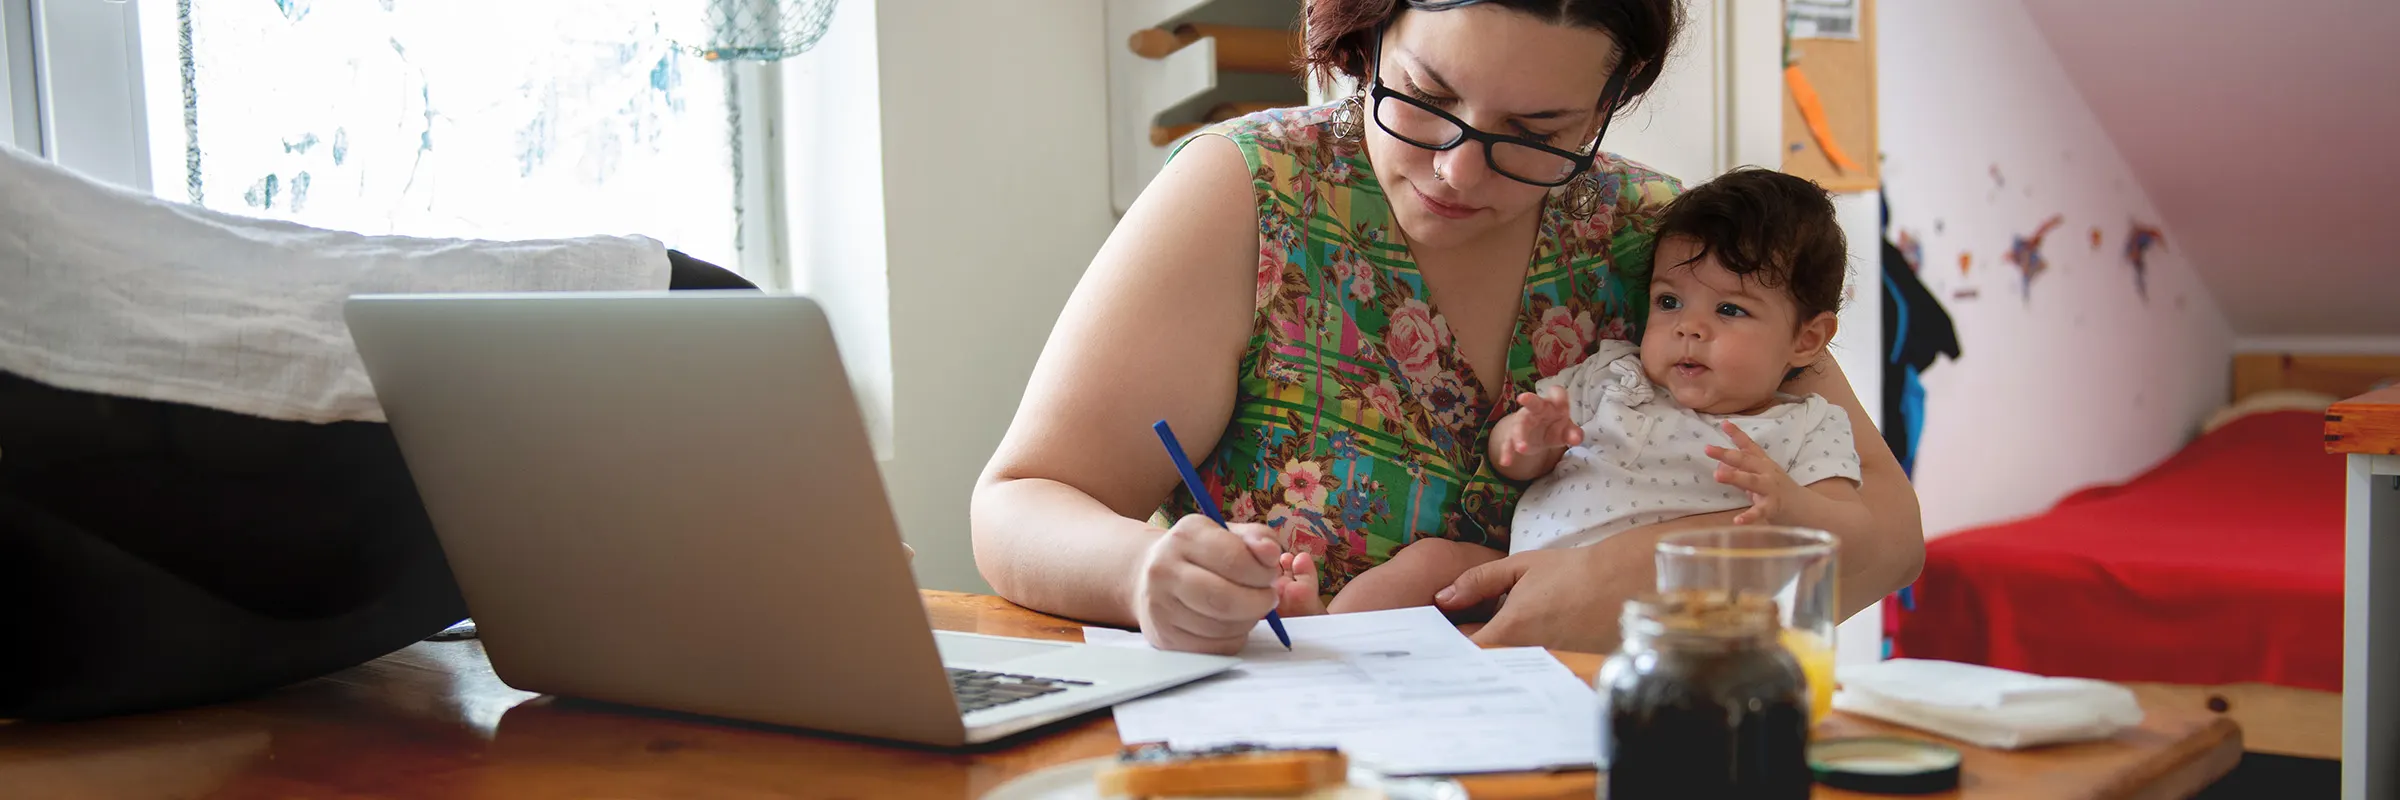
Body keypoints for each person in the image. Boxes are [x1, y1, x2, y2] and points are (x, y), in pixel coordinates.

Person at [970, 0, 1924, 656]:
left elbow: (1884, 535)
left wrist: (1629, 579)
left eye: (1538, 133)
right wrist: (1147, 575)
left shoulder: (1663, 245)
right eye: (1424, 99)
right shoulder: (1254, 193)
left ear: (1610, 102)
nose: (1458, 172)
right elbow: (1019, 501)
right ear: (1370, 32)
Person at [1270, 167, 1869, 614]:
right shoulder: (1614, 374)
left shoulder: (1806, 425)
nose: (1689, 326)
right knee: (1428, 564)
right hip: (1512, 574)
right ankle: (1329, 634)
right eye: (1669, 301)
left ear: (1807, 339)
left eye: (1731, 309)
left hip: (1659, 618)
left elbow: (1849, 530)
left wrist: (1790, 504)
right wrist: (1530, 440)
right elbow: (1512, 460)